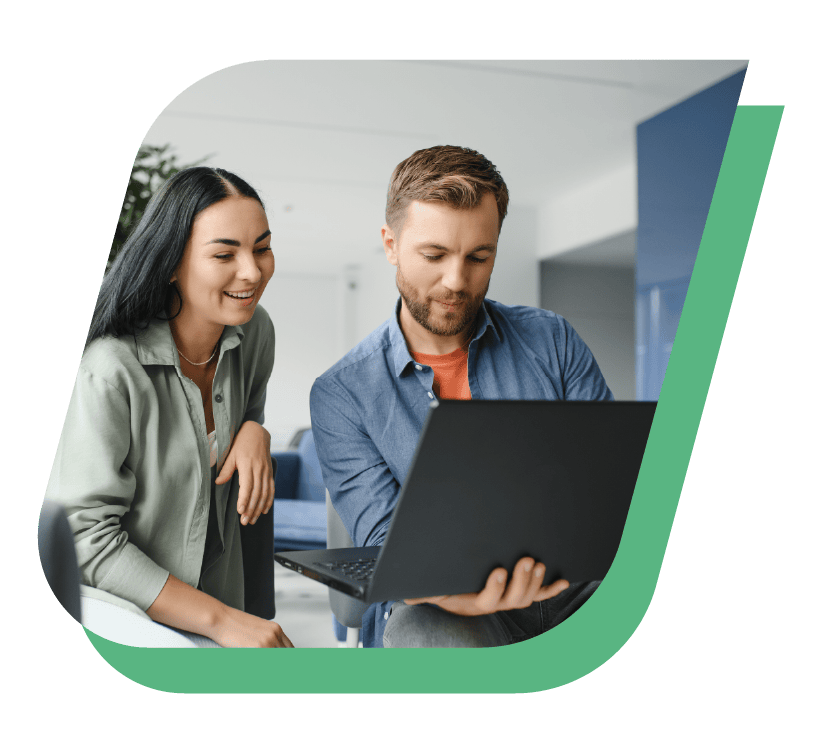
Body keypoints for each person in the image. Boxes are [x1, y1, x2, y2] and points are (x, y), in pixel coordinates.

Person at [310, 146, 613, 648]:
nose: (456, 281)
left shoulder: (552, 340)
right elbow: (385, 546)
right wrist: (452, 592)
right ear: (390, 244)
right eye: (434, 256)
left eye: (479, 257)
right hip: (439, 605)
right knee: (427, 634)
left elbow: (609, 486)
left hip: (572, 585)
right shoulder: (342, 394)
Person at [45, 167, 293, 648]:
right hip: (124, 614)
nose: (253, 271)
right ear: (172, 262)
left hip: (221, 605)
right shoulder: (109, 366)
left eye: (262, 248)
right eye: (225, 254)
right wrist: (220, 621)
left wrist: (253, 431)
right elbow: (86, 540)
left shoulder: (255, 331)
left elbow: (244, 416)